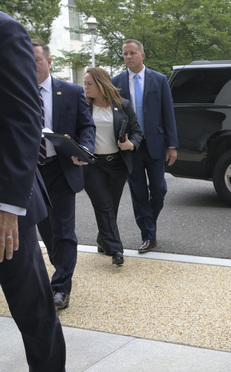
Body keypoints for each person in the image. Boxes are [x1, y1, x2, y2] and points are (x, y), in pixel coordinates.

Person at [0, 12, 69, 372]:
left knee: (37, 319)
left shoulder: (5, 30)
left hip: (7, 213)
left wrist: (9, 206)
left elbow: (25, 121)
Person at [33, 39, 96, 309]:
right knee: (46, 230)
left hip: (60, 169)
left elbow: (87, 126)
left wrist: (84, 148)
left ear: (48, 62)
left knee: (64, 231)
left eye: (35, 60)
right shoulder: (14, 92)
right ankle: (60, 268)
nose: (29, 65)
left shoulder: (70, 92)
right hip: (31, 173)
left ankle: (60, 288)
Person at [111, 39, 178, 253]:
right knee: (138, 192)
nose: (128, 57)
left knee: (159, 189)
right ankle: (149, 235)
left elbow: (168, 113)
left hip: (156, 144)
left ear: (142, 55)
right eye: (124, 54)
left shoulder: (158, 80)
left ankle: (149, 222)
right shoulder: (116, 82)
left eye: (132, 53)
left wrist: (172, 145)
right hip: (131, 147)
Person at [83, 67, 143, 266]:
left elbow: (136, 131)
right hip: (93, 165)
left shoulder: (122, 105)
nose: (85, 87)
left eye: (89, 83)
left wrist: (130, 144)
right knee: (104, 206)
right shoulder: (83, 107)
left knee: (111, 207)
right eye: (85, 83)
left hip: (117, 164)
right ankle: (116, 250)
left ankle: (104, 241)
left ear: (101, 84)